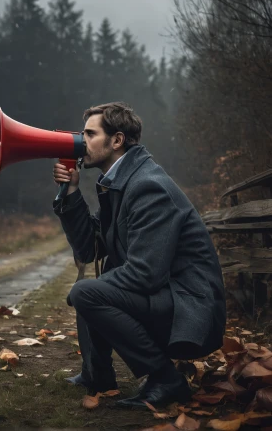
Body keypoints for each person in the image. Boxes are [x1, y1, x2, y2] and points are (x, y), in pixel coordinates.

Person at [52, 102, 226, 410]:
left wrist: (87, 293)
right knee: (92, 287)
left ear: (116, 140)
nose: (81, 142)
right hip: (169, 297)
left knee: (89, 291)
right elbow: (88, 248)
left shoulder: (148, 186)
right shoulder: (122, 181)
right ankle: (98, 376)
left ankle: (165, 379)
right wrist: (70, 191)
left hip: (190, 310)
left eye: (90, 134)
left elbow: (147, 273)